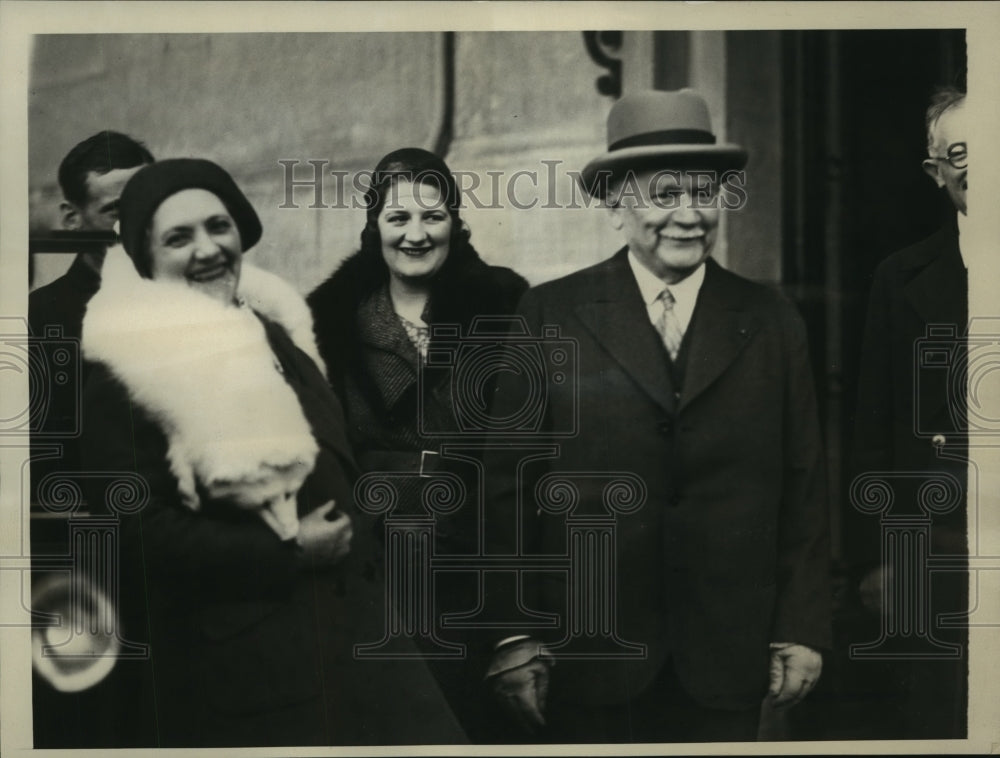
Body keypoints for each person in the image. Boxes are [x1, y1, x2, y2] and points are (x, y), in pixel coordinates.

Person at [482, 89, 831, 743]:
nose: (689, 215)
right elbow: (506, 487)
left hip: (728, 654)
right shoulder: (549, 316)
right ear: (616, 203)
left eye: (705, 193)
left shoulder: (771, 318)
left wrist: (803, 626)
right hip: (589, 652)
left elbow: (804, 485)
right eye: (664, 194)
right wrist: (514, 630)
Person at [79, 158, 464, 746]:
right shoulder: (129, 373)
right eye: (178, 238)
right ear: (145, 256)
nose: (208, 249)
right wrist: (287, 551)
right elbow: (134, 532)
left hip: (356, 637)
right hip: (251, 675)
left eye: (219, 226)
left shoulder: (274, 329)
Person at [307, 147, 528, 741]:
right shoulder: (329, 321)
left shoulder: (507, 305)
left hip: (478, 555)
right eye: (397, 218)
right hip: (376, 565)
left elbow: (531, 449)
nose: (415, 235)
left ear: (455, 222)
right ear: (373, 226)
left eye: (432, 216)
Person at [851, 86, 969, 738]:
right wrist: (878, 558)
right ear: (937, 172)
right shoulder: (902, 278)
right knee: (941, 719)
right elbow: (874, 430)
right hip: (937, 555)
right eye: (961, 151)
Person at [29, 131, 153, 496]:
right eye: (116, 210)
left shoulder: (192, 302)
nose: (140, 222)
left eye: (149, 202)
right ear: (71, 218)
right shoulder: (39, 321)